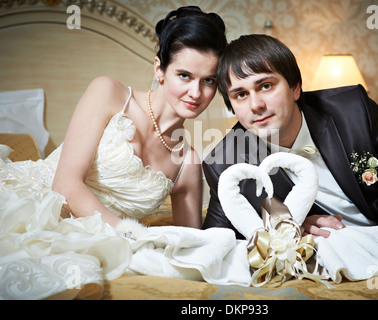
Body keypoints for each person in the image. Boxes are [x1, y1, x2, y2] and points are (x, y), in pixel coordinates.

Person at [0, 6, 231, 299]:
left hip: (95, 240)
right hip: (31, 203)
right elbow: (65, 186)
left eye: (208, 80)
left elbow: (190, 247)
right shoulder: (109, 93)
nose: (196, 93)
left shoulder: (188, 163)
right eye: (184, 75)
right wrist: (133, 236)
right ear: (159, 69)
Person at [202, 34, 378, 256]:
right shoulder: (225, 162)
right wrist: (293, 230)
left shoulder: (353, 109)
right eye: (241, 95)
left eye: (265, 86)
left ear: (295, 87)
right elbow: (222, 242)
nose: (255, 105)